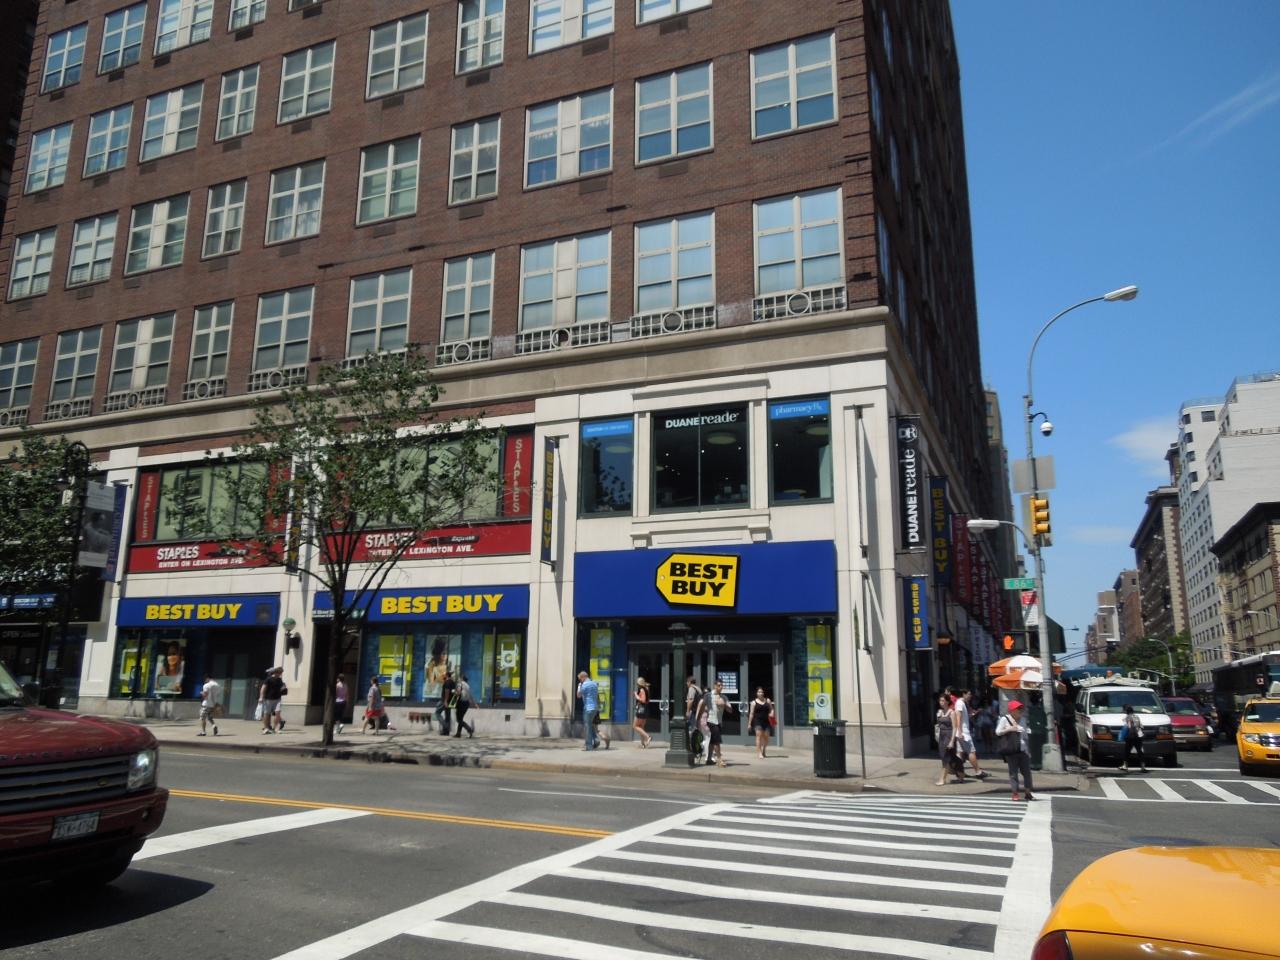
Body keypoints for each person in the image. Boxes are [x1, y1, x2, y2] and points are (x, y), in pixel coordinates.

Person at [996, 699, 1035, 801]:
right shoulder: (1004, 719)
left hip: (1023, 750)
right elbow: (998, 732)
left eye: (1021, 709)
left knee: (1027, 772)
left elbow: (1025, 736)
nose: (1020, 711)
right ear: (1012, 711)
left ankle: (1028, 793)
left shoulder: (1023, 720)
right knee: (1013, 773)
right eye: (1018, 709)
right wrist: (1010, 729)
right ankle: (1015, 793)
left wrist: (1028, 750)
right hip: (1011, 750)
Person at [955, 689, 987, 779]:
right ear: (963, 694)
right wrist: (960, 731)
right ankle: (978, 771)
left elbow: (964, 717)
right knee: (971, 752)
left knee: (960, 753)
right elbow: (958, 717)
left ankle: (960, 772)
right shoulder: (960, 703)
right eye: (969, 694)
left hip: (961, 732)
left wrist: (974, 713)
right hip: (963, 733)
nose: (970, 696)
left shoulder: (962, 703)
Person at [705, 679, 731, 767]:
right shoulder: (708, 695)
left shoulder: (724, 697)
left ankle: (709, 759)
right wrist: (698, 718)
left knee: (713, 741)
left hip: (719, 722)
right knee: (717, 741)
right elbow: (702, 704)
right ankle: (719, 760)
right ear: (715, 686)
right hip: (711, 721)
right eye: (719, 685)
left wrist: (723, 704)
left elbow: (730, 710)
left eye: (722, 685)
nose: (721, 687)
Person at [934, 692, 957, 786]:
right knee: (943, 756)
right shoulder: (940, 712)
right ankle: (960, 773)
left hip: (948, 735)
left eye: (943, 700)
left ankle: (942, 779)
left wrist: (952, 741)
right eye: (940, 700)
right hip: (941, 735)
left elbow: (955, 727)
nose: (941, 702)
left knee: (945, 757)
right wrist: (938, 716)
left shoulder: (952, 712)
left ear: (947, 701)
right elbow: (938, 724)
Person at [746, 687, 774, 759]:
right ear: (756, 693)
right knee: (758, 736)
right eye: (759, 692)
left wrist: (772, 713)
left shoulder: (768, 700)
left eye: (762, 692)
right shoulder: (753, 703)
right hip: (757, 721)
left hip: (766, 721)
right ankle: (759, 753)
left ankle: (764, 750)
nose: (760, 693)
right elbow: (751, 713)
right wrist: (749, 724)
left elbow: (771, 709)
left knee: (766, 737)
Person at [1120, 704, 1147, 773]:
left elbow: (1129, 727)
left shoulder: (1128, 717)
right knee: (1140, 751)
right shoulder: (1137, 716)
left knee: (1127, 751)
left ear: (1126, 711)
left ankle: (1125, 766)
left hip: (1130, 736)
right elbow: (1141, 726)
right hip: (1138, 736)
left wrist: (1125, 735)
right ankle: (1143, 767)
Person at [577, 670, 601, 750]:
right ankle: (596, 740)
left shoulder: (584, 685)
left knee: (587, 727)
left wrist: (579, 686)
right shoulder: (594, 683)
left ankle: (589, 746)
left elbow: (578, 695)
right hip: (595, 708)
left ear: (583, 677)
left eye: (580, 679)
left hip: (588, 708)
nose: (580, 681)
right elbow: (597, 696)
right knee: (590, 725)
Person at [259, 666, 286, 734]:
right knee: (267, 713)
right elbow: (263, 688)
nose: (280, 674)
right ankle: (266, 728)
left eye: (281, 673)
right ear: (276, 672)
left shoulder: (279, 680)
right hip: (268, 699)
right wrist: (261, 697)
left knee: (277, 713)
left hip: (277, 699)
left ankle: (275, 728)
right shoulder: (268, 679)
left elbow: (282, 686)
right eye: (280, 673)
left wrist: (283, 687)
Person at [453, 673, 475, 738]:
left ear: (462, 678)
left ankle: (469, 729)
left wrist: (453, 691)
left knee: (458, 720)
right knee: (461, 718)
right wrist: (474, 703)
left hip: (461, 703)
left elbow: (458, 692)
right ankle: (458, 733)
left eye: (460, 678)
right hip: (466, 704)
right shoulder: (468, 686)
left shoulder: (460, 684)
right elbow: (470, 696)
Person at [633, 677, 653, 748]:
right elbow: (648, 700)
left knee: (635, 726)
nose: (637, 685)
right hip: (645, 709)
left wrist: (636, 695)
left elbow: (643, 700)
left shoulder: (642, 690)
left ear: (639, 684)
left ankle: (648, 737)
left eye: (637, 684)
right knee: (641, 727)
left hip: (641, 709)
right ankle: (643, 744)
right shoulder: (647, 689)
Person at [438, 671, 457, 736]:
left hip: (445, 701)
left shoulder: (447, 682)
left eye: (444, 675)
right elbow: (453, 691)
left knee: (437, 713)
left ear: (446, 675)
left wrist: (445, 701)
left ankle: (445, 727)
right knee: (447, 716)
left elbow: (447, 691)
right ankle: (446, 732)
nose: (443, 676)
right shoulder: (453, 682)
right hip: (450, 701)